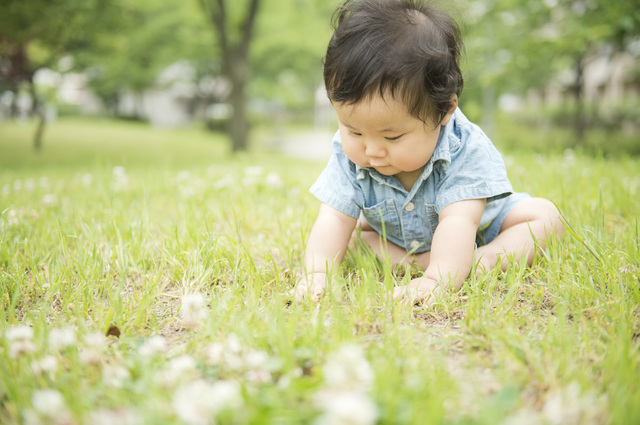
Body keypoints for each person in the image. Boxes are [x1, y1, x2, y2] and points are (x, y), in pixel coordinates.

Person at [293, 0, 564, 304]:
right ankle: (418, 262)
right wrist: (318, 274)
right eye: (353, 131)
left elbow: (458, 222)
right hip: (397, 238)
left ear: (444, 111)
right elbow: (334, 217)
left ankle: (480, 262)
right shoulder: (348, 153)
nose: (371, 150)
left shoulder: (465, 146)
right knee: (351, 237)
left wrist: (437, 280)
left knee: (547, 217)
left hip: (478, 234)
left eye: (392, 136)